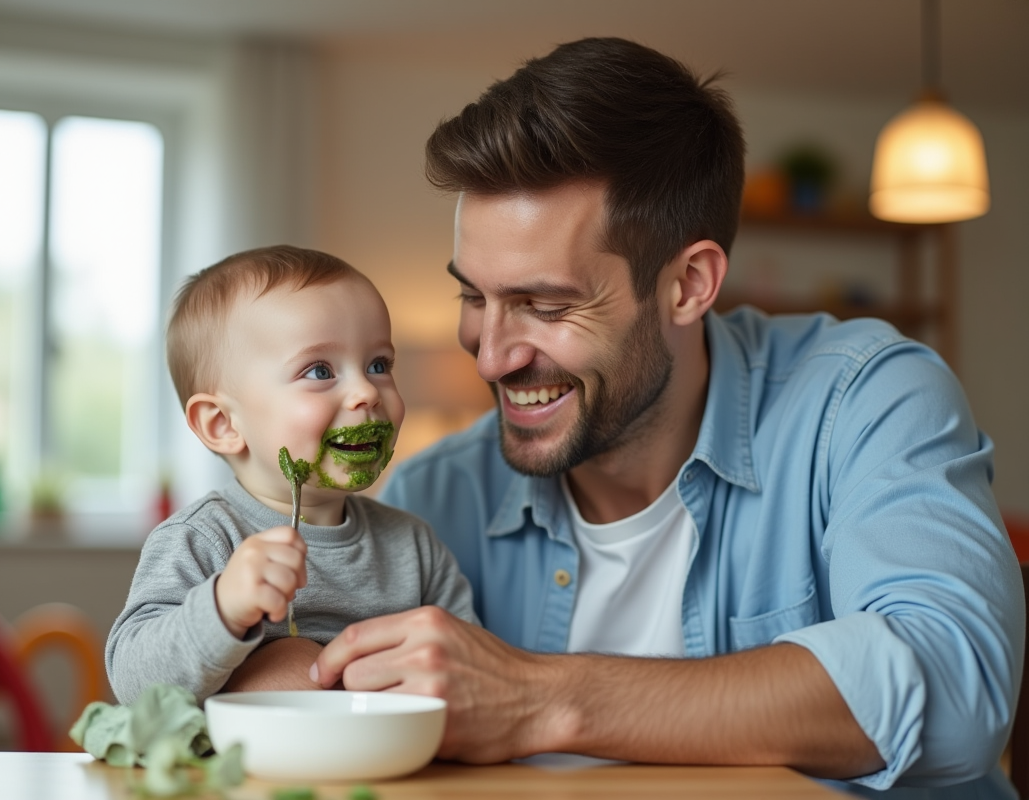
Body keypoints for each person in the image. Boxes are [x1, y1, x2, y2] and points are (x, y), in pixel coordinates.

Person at [234, 38, 1024, 797]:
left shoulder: (865, 400)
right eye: (474, 296)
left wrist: (542, 699)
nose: (491, 357)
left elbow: (957, 690)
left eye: (545, 305)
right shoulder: (439, 497)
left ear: (688, 285)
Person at [105, 245, 477, 705]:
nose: (366, 391)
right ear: (223, 425)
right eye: (319, 371)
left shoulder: (413, 547)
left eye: (379, 365)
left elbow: (470, 674)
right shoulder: (202, 539)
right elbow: (134, 684)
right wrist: (222, 608)